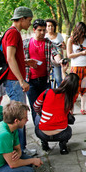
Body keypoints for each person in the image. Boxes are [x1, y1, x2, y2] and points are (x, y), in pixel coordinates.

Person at [2, 6, 37, 158]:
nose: (30, 24)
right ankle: (20, 151)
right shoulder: (13, 33)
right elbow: (10, 58)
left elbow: (14, 57)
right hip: (14, 81)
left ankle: (21, 149)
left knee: (20, 116)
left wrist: (25, 61)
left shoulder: (12, 33)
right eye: (29, 20)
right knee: (19, 117)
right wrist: (21, 80)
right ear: (21, 19)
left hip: (14, 80)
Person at [23, 19, 61, 151]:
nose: (42, 33)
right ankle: (42, 139)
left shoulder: (48, 43)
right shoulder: (26, 43)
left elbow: (55, 53)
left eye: (44, 30)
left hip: (44, 81)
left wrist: (60, 61)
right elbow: (18, 59)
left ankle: (47, 135)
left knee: (47, 109)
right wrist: (27, 62)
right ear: (34, 30)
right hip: (31, 82)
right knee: (35, 110)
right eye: (39, 30)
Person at [33, 73, 79, 155]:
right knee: (68, 129)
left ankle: (44, 143)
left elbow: (35, 106)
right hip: (62, 134)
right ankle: (63, 145)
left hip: (42, 133)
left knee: (37, 118)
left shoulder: (48, 92)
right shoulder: (72, 97)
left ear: (63, 81)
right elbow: (70, 111)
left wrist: (41, 113)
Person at [67, 22, 86, 115]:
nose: (82, 34)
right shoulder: (70, 40)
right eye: (81, 32)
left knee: (85, 87)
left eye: (84, 32)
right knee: (74, 88)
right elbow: (69, 55)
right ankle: (71, 109)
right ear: (77, 31)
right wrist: (81, 53)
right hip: (76, 67)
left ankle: (83, 108)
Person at [45, 18, 67, 86]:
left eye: (52, 26)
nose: (50, 27)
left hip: (57, 60)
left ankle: (60, 92)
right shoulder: (44, 36)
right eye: (48, 26)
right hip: (47, 59)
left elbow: (65, 47)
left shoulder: (59, 35)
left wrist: (62, 46)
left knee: (58, 79)